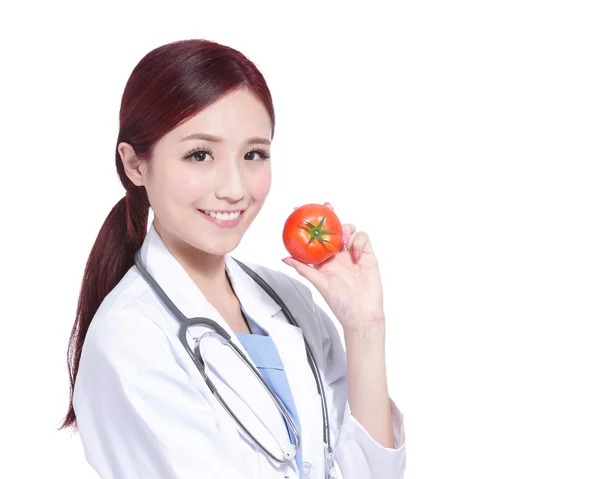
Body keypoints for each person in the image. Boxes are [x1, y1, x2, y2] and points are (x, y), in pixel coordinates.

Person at [60, 39, 407, 479]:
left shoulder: (291, 301)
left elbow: (374, 471)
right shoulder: (129, 340)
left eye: (254, 154)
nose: (235, 188)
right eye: (200, 154)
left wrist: (364, 329)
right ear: (135, 165)